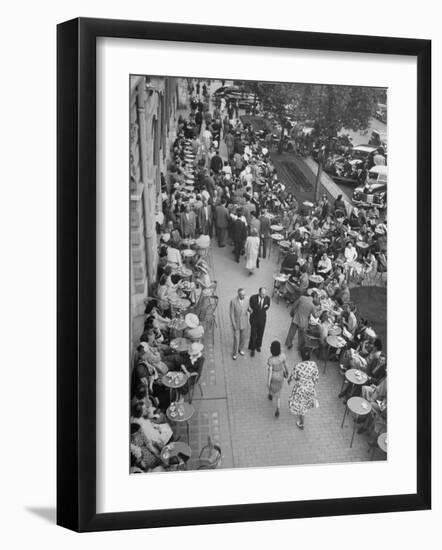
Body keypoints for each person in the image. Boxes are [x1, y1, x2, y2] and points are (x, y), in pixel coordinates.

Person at [287, 347, 319, 430]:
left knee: (301, 406)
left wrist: (289, 381)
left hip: (300, 389)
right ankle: (301, 417)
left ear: (300, 356)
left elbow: (293, 377)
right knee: (304, 404)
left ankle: (301, 423)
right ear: (310, 355)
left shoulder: (298, 366)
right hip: (309, 388)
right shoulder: (313, 364)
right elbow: (316, 379)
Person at [267, 340, 288, 417]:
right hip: (280, 375)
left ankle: (270, 394)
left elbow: (270, 372)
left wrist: (268, 382)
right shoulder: (283, 356)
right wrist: (287, 371)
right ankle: (278, 409)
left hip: (273, 376)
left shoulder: (270, 360)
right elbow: (285, 365)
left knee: (271, 387)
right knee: (278, 394)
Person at [248, 287, 271, 357]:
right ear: (259, 292)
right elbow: (250, 306)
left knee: (261, 333)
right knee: (253, 334)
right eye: (262, 294)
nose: (264, 296)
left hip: (262, 319)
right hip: (254, 318)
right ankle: (252, 348)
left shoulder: (267, 299)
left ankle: (258, 346)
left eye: (265, 294)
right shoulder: (253, 298)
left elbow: (267, 307)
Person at [229, 288, 249, 360]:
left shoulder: (247, 300)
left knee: (243, 337)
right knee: (236, 339)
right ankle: (235, 353)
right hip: (236, 323)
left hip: (244, 322)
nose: (243, 296)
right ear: (238, 294)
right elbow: (231, 314)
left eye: (244, 295)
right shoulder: (233, 301)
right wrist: (233, 324)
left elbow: (248, 308)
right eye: (242, 295)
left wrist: (250, 310)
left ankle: (241, 349)